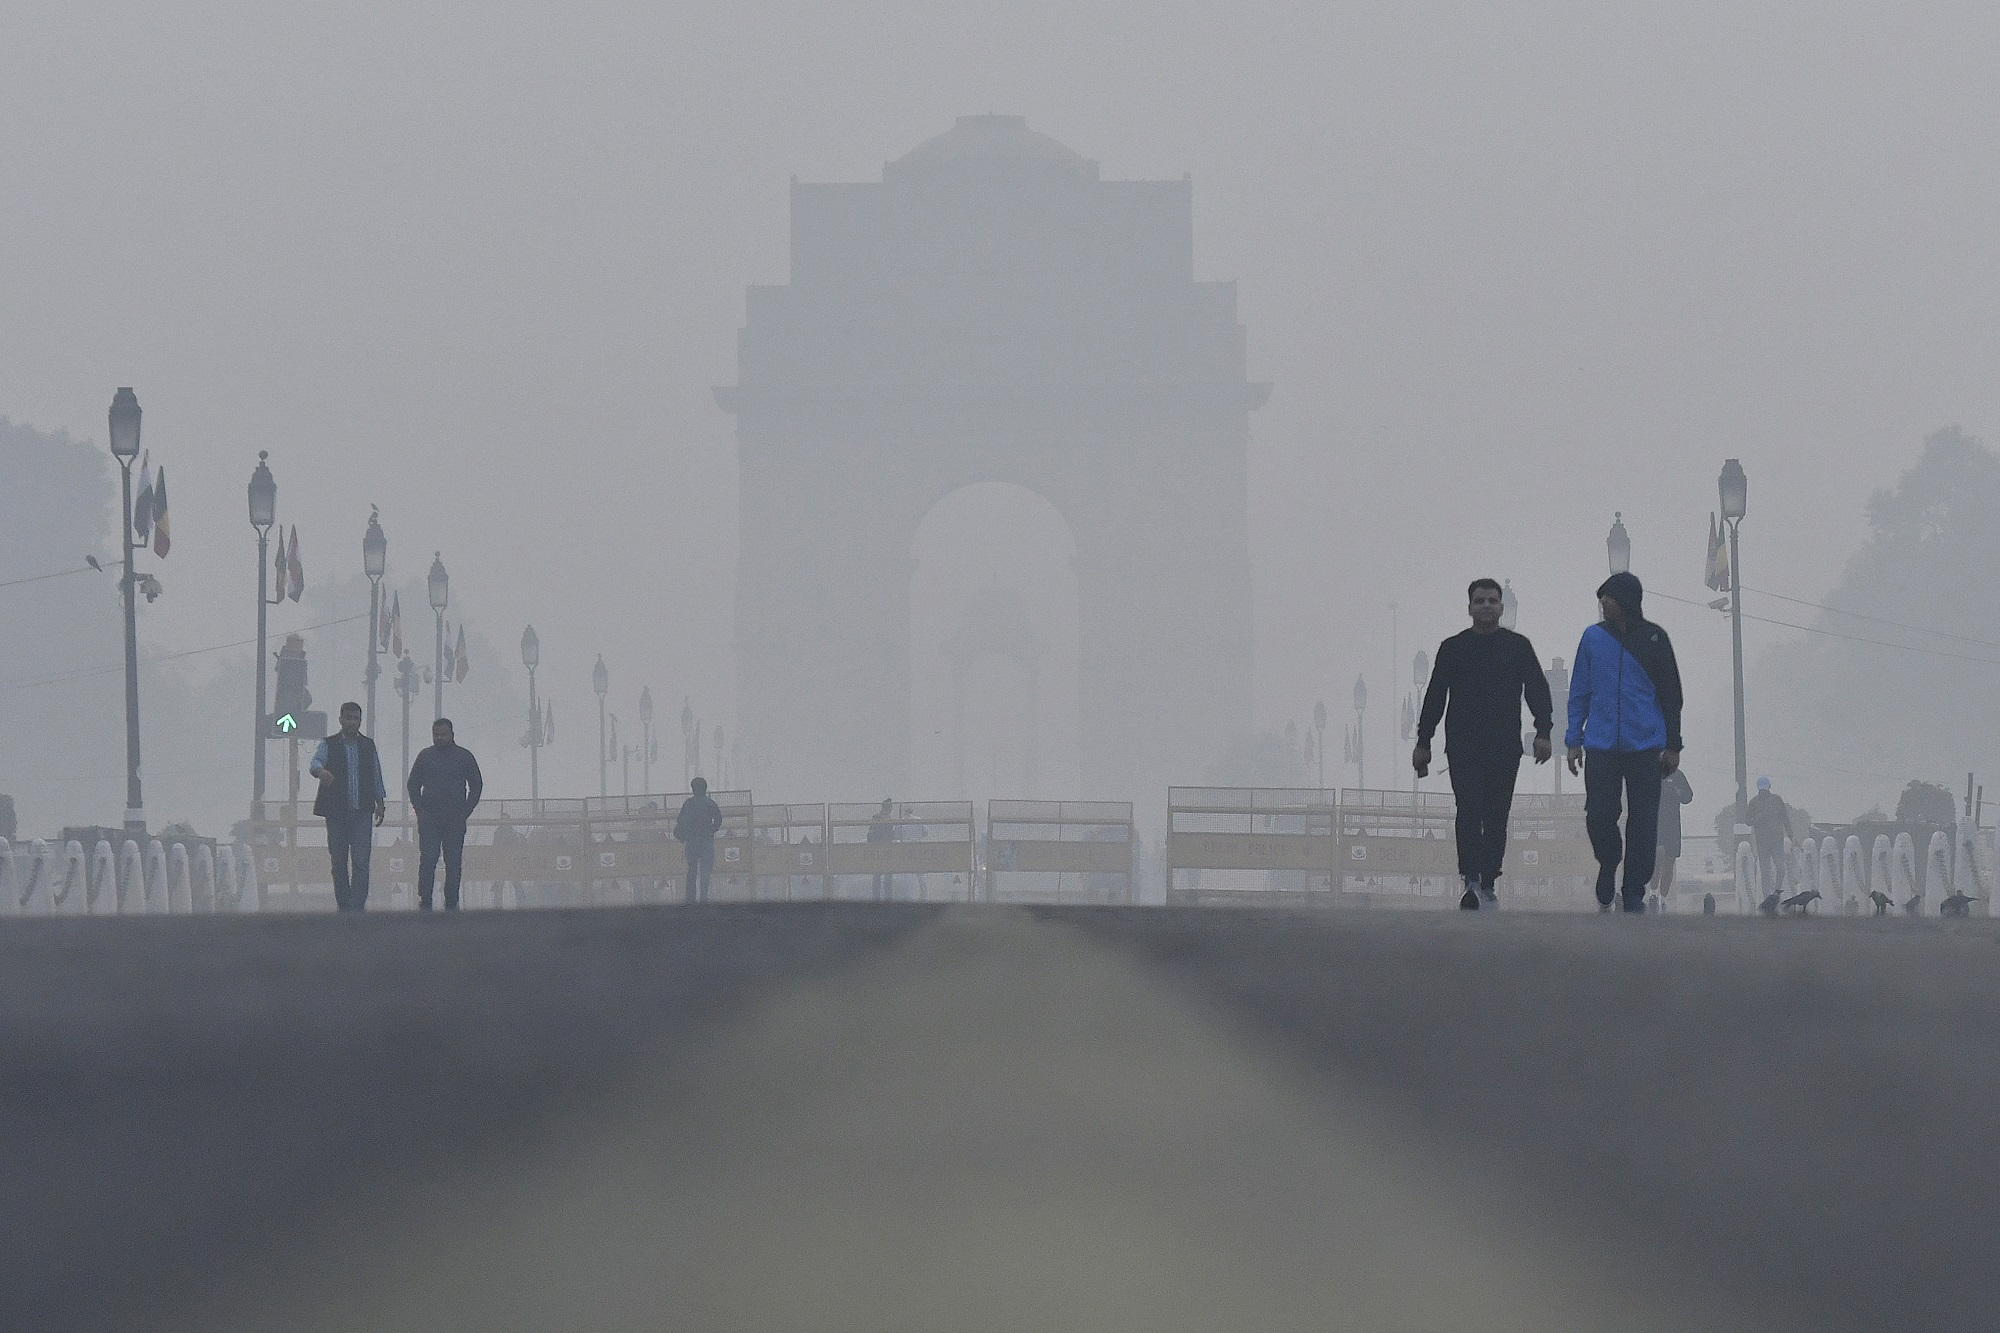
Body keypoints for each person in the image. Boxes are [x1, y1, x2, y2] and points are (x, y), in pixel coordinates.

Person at [1413, 578, 1554, 910]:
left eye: (1493, 600)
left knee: (1496, 815)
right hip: (1462, 745)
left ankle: (1489, 881)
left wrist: (1544, 732)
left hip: (1504, 745)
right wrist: (1424, 741)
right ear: (1470, 608)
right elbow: (1435, 697)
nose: (1487, 606)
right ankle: (1471, 880)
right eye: (1480, 601)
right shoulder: (1453, 649)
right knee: (1468, 811)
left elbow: (1537, 689)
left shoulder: (1518, 647)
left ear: (1502, 608)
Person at [1565, 572, 1683, 913]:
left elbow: (1671, 696)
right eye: (1601, 598)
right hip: (1601, 744)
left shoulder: (1655, 639)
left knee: (1644, 822)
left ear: (1628, 600)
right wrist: (1574, 739)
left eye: (1610, 598)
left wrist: (1673, 745)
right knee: (1600, 815)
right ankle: (1608, 860)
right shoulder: (1592, 638)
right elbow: (1579, 692)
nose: (1603, 603)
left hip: (1645, 746)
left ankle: (1634, 890)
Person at [309, 702, 387, 912]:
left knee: (361, 862)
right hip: (336, 813)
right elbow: (315, 762)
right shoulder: (329, 744)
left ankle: (357, 906)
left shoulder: (368, 746)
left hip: (362, 811)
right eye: (348, 718)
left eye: (355, 718)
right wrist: (321, 772)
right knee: (339, 861)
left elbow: (375, 774)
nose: (352, 722)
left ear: (360, 720)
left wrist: (380, 802)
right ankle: (344, 905)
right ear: (341, 719)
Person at [406, 717, 483, 911]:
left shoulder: (464, 757)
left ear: (452, 735)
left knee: (453, 861)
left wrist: (465, 811)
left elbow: (476, 785)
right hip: (429, 819)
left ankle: (451, 902)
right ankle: (425, 901)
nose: (439, 738)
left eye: (443, 734)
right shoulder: (425, 756)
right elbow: (412, 784)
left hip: (455, 820)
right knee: (429, 859)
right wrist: (420, 811)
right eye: (436, 735)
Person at [673, 777, 723, 904]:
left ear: (693, 789)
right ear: (705, 788)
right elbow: (718, 820)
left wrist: (684, 834)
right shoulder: (710, 803)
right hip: (707, 841)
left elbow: (681, 821)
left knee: (692, 870)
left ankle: (690, 899)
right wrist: (711, 830)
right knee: (705, 869)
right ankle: (704, 897)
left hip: (692, 841)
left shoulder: (688, 803)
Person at [1745, 776, 1792, 897]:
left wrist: (1791, 836)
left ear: (1769, 788)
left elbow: (1785, 819)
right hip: (1762, 843)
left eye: (1764, 789)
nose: (1763, 792)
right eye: (1762, 790)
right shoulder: (1754, 802)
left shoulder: (1777, 800)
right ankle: (1767, 897)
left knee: (1781, 868)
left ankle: (1776, 891)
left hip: (1777, 842)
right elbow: (1748, 821)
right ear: (1758, 789)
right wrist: (1758, 818)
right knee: (1765, 873)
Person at [1656, 768, 1695, 902]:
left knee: (1669, 862)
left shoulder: (1677, 775)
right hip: (1655, 824)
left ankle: (1663, 899)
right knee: (1657, 857)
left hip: (1672, 826)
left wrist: (1679, 793)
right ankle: (1653, 893)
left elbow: (1688, 796)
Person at [867, 798, 895, 901]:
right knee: (887, 875)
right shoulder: (888, 819)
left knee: (877, 874)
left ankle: (876, 898)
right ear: (889, 808)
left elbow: (870, 833)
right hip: (886, 849)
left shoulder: (876, 817)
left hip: (877, 849)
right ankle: (887, 898)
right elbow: (891, 834)